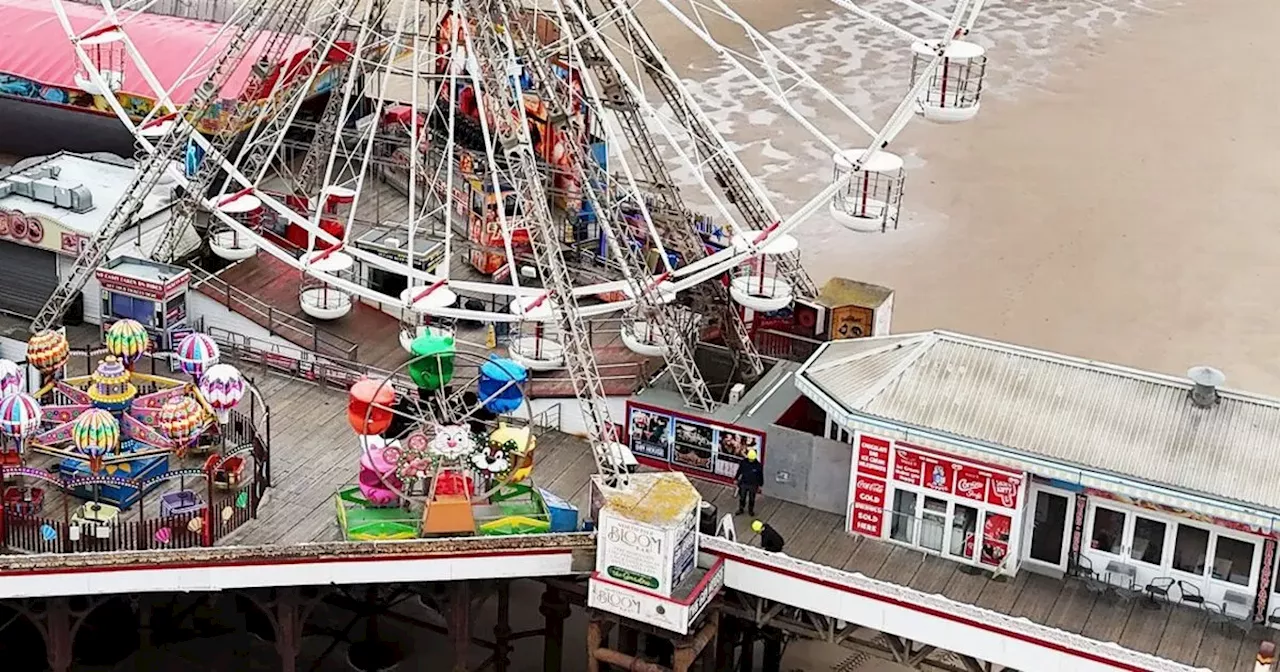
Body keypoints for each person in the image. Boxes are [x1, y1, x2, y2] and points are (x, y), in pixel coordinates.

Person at [735, 449, 763, 515]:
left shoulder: (758, 465)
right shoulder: (743, 462)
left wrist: (760, 484)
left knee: (752, 498)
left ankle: (750, 510)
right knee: (742, 497)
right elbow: (739, 471)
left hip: (753, 485)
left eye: (752, 459)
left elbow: (760, 475)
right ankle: (741, 509)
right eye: (750, 459)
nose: (751, 460)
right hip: (744, 482)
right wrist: (736, 478)